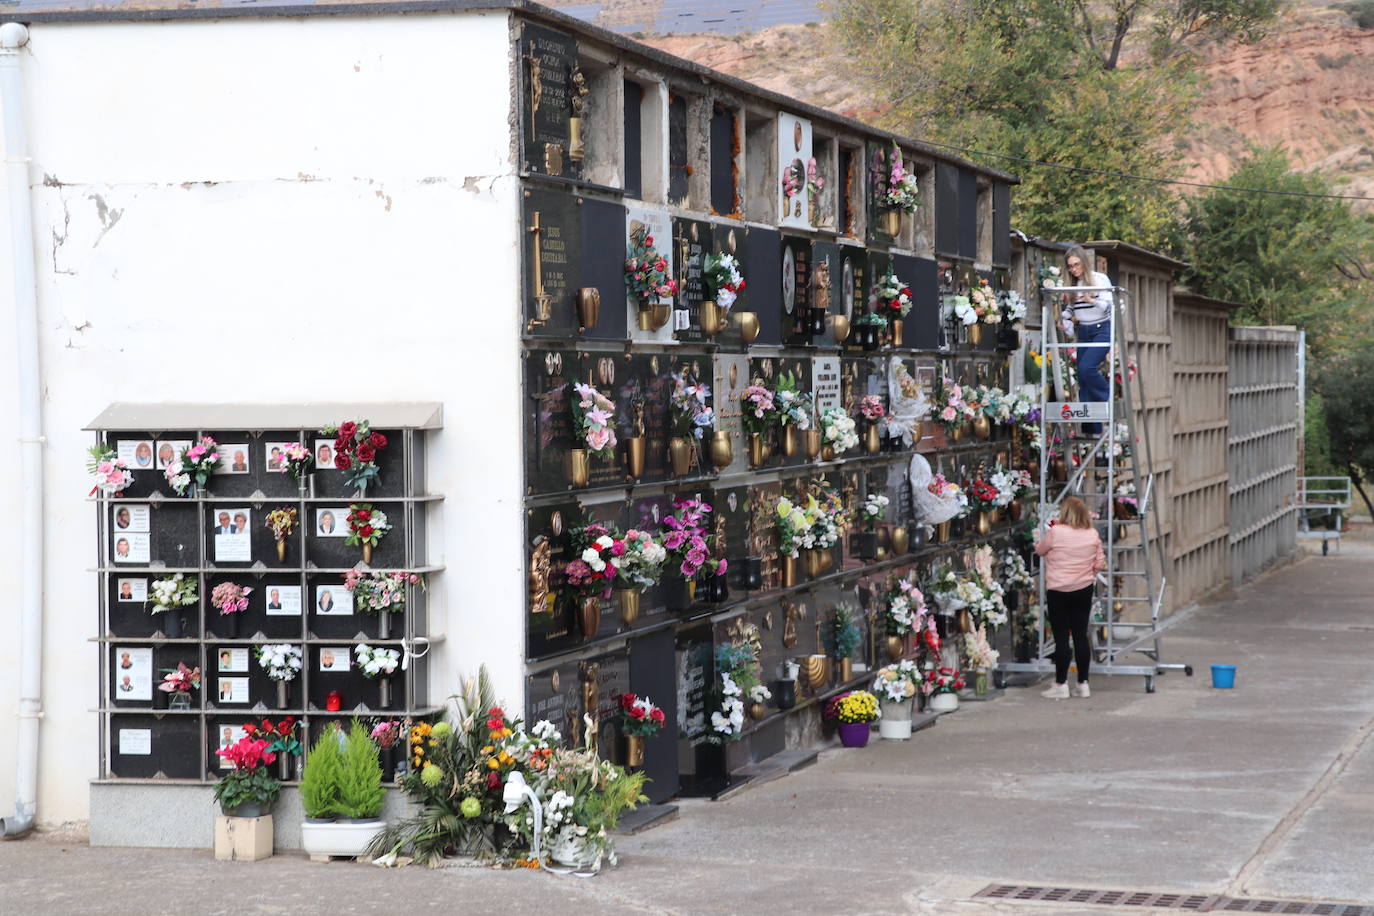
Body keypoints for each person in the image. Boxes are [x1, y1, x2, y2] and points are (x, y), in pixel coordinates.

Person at [1034, 496, 1105, 699]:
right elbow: (1099, 563)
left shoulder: (1056, 532)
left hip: (1058, 590)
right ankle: (1083, 683)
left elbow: (1040, 550)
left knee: (1062, 638)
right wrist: (1087, 573)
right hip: (1083, 589)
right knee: (1081, 636)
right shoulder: (1092, 534)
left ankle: (1061, 683)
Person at [1061, 245, 1115, 435]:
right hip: (1083, 330)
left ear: (1084, 262)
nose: (1074, 269)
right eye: (1070, 266)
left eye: (1076, 264)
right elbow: (1071, 309)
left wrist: (1092, 300)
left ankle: (1105, 396)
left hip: (1101, 328)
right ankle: (1092, 426)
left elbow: (1110, 308)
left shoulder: (1099, 280)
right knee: (1082, 376)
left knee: (1087, 367)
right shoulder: (1073, 285)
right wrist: (1064, 317)